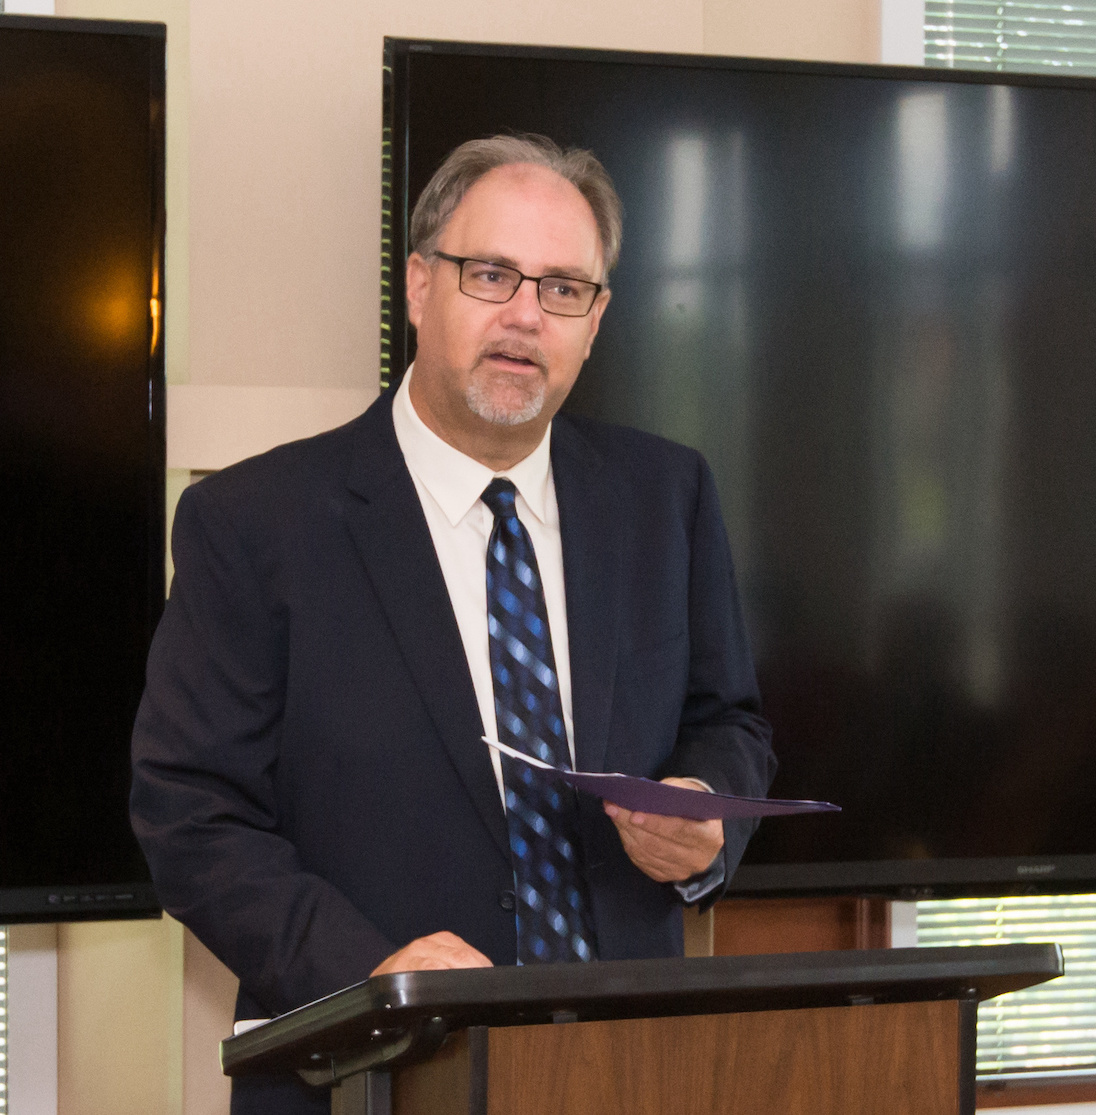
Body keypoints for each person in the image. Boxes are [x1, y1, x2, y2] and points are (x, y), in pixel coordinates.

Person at [130, 134, 775, 1115]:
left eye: (565, 288)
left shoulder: (665, 495)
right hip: (369, 1072)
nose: (526, 313)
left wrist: (707, 820)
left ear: (596, 321)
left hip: (633, 1070)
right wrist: (376, 969)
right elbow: (191, 814)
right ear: (421, 286)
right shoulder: (257, 524)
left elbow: (732, 723)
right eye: (492, 274)